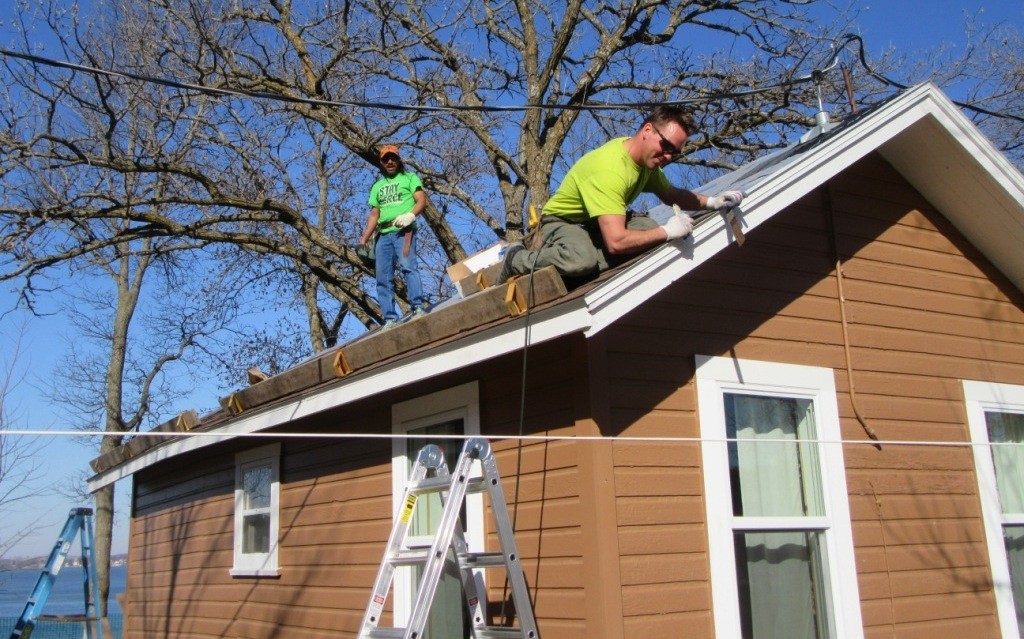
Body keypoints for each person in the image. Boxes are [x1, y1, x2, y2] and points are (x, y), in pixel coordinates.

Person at [499, 105, 744, 281]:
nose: (669, 156)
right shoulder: (610, 170)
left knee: (646, 227)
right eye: (666, 146)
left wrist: (713, 201)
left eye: (675, 152)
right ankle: (517, 259)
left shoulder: (646, 163)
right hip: (560, 224)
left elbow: (672, 195)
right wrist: (667, 231)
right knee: (581, 260)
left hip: (592, 224)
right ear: (647, 130)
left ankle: (590, 255)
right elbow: (616, 242)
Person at [360, 144, 428, 330]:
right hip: (383, 234)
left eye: (393, 158)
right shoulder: (378, 187)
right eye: (385, 159)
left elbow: (421, 200)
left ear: (398, 160)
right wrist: (365, 237)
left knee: (408, 267)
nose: (389, 161)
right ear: (381, 162)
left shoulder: (409, 178)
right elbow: (374, 214)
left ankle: (418, 306)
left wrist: (411, 215)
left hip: (403, 232)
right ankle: (390, 317)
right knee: (382, 276)